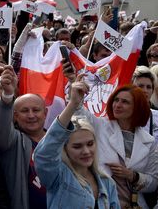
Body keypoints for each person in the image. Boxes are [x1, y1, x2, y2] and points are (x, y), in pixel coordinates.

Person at [34, 76, 120, 208]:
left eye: (90, 144)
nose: (86, 151)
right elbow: (44, 155)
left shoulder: (107, 183)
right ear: (65, 148)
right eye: (77, 146)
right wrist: (72, 105)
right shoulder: (58, 176)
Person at [73, 83, 158, 208]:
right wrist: (76, 96)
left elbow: (153, 183)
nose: (117, 105)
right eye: (116, 100)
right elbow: (79, 115)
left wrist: (132, 176)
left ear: (137, 107)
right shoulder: (100, 126)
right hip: (101, 202)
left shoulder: (149, 141)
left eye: (125, 102)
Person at [0, 65, 48, 208]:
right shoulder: (12, 141)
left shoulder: (59, 141)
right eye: (24, 111)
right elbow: (1, 128)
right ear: (15, 117)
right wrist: (7, 95)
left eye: (36, 110)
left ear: (45, 113)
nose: (31, 115)